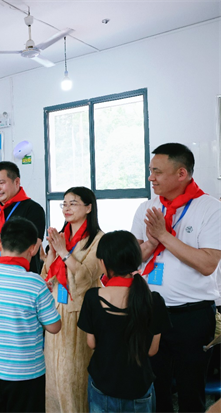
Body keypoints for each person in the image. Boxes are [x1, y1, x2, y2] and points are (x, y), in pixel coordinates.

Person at [131, 143, 221, 413]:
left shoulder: (210, 208)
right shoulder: (147, 208)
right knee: (154, 389)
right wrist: (151, 242)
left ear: (181, 173)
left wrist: (164, 235)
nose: (151, 178)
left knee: (190, 390)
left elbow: (207, 264)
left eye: (157, 172)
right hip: (151, 312)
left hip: (192, 316)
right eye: (150, 170)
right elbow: (133, 259)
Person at [78, 230, 172, 412]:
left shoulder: (92, 297)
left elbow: (92, 343)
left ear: (103, 263)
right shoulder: (154, 300)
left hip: (103, 383)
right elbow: (152, 350)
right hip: (139, 386)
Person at [0, 217, 62, 413]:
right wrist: (45, 298)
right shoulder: (35, 283)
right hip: (25, 373)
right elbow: (54, 327)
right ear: (32, 249)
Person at [41, 186, 104, 413]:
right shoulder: (61, 237)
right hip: (55, 310)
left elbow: (86, 277)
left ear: (88, 208)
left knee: (73, 374)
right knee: (53, 373)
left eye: (73, 203)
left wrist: (64, 252)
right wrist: (52, 253)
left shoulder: (98, 239)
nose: (66, 208)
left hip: (80, 312)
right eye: (64, 203)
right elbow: (47, 274)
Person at [0, 161, 46, 273]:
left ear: (16, 182)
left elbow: (34, 248)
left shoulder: (33, 209)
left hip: (23, 276)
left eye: (1, 183)